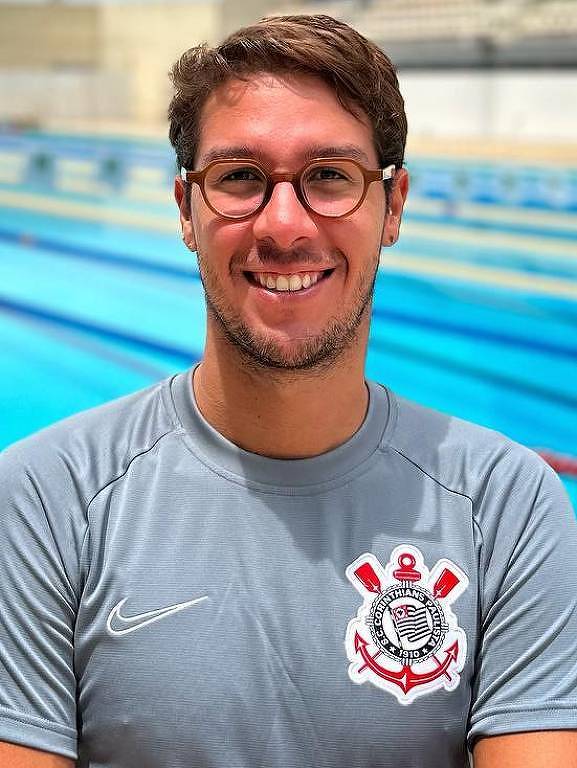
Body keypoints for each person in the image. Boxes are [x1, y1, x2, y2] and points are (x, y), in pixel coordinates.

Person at [1, 14, 576, 768]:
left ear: (392, 205)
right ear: (185, 208)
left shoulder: (505, 503)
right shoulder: (47, 498)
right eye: (239, 176)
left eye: (329, 176)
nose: (283, 224)